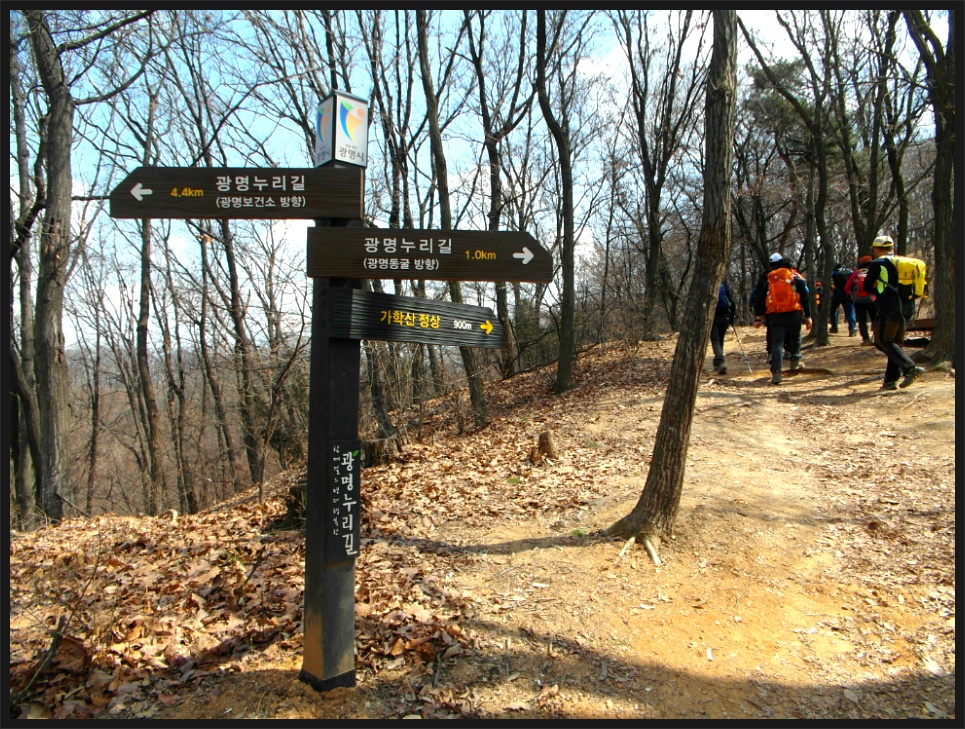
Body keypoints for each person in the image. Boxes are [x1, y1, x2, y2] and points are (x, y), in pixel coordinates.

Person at [862, 235, 925, 390]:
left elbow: (867, 286)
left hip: (890, 307)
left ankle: (910, 368)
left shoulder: (878, 263)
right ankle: (890, 381)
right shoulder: (903, 263)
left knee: (883, 341)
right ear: (891, 248)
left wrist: (879, 291)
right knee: (894, 342)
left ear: (876, 249)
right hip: (907, 307)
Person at [751, 253, 812, 385]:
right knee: (795, 337)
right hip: (794, 313)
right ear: (790, 268)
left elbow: (761, 299)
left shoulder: (771, 281)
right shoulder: (795, 280)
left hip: (775, 315)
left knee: (777, 344)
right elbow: (804, 298)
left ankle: (777, 373)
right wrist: (808, 316)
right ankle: (795, 363)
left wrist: (758, 317)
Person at [844, 255, 876, 345]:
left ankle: (866, 339)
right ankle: (877, 337)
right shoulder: (872, 272)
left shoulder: (855, 274)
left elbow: (846, 287)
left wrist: (850, 295)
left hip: (858, 300)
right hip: (872, 299)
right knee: (875, 319)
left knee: (862, 320)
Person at [710, 280, 736, 374]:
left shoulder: (709, 286)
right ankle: (719, 363)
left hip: (712, 317)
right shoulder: (725, 287)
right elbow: (732, 303)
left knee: (715, 340)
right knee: (720, 339)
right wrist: (731, 319)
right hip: (725, 317)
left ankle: (719, 360)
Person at [829, 262, 857, 336]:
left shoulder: (834, 272)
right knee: (850, 312)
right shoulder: (850, 272)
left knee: (833, 310)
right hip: (848, 293)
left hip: (838, 292)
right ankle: (852, 329)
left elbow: (829, 281)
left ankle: (834, 327)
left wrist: (832, 288)